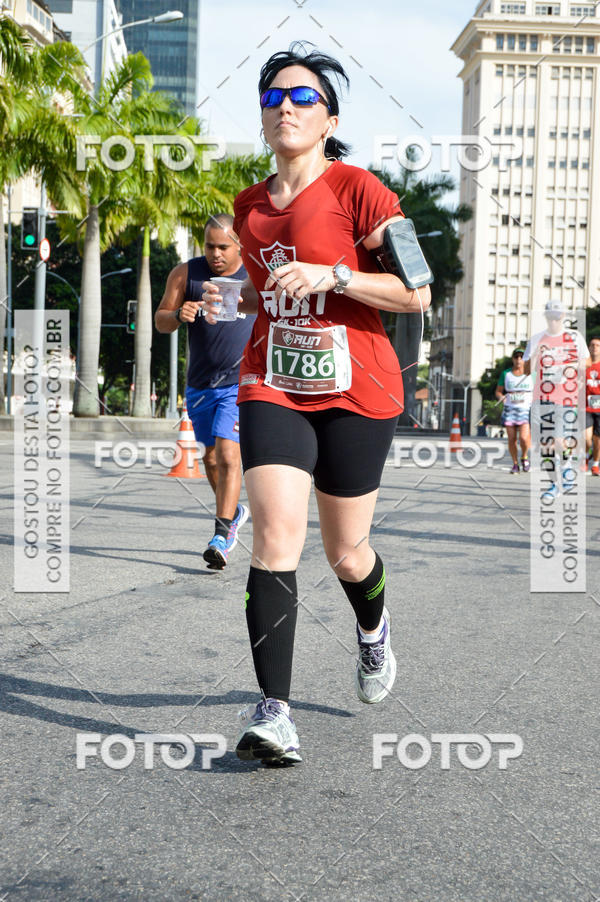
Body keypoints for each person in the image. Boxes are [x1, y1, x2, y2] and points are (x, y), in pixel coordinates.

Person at [200, 44, 431, 765]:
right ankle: (274, 713)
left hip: (358, 391)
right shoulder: (247, 207)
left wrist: (336, 273)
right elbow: (263, 287)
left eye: (302, 98)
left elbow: (416, 292)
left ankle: (372, 635)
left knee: (347, 552)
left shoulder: (362, 192)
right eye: (273, 98)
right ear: (263, 118)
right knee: (275, 539)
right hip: (273, 383)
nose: (286, 108)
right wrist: (228, 297)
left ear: (328, 117)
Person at [155, 214, 255, 568]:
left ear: (239, 245)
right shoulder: (187, 274)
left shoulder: (253, 276)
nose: (215, 253)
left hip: (240, 383)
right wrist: (179, 314)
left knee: (229, 456)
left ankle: (221, 533)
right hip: (199, 385)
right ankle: (234, 511)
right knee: (210, 459)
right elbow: (160, 320)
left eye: (223, 247)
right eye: (210, 246)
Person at [524, 300, 589, 498]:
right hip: (540, 399)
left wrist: (575, 376)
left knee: (559, 442)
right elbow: (527, 371)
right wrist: (536, 354)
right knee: (545, 446)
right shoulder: (536, 339)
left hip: (564, 398)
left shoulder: (575, 338)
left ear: (563, 316)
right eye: (551, 316)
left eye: (557, 316)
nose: (554, 320)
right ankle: (554, 484)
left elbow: (583, 364)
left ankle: (567, 465)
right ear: (546, 317)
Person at [495, 349, 533, 473]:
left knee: (523, 438)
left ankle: (524, 456)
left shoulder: (532, 374)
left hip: (525, 410)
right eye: (516, 357)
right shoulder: (506, 374)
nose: (518, 360)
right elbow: (499, 391)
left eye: (521, 357)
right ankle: (515, 464)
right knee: (511, 439)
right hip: (510, 410)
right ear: (512, 359)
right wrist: (501, 398)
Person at [585, 337, 600, 476]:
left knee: (597, 440)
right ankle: (585, 455)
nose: (594, 347)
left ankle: (595, 464)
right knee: (587, 438)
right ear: (588, 348)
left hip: (599, 408)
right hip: (586, 407)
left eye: (597, 345)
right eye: (592, 345)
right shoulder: (584, 365)